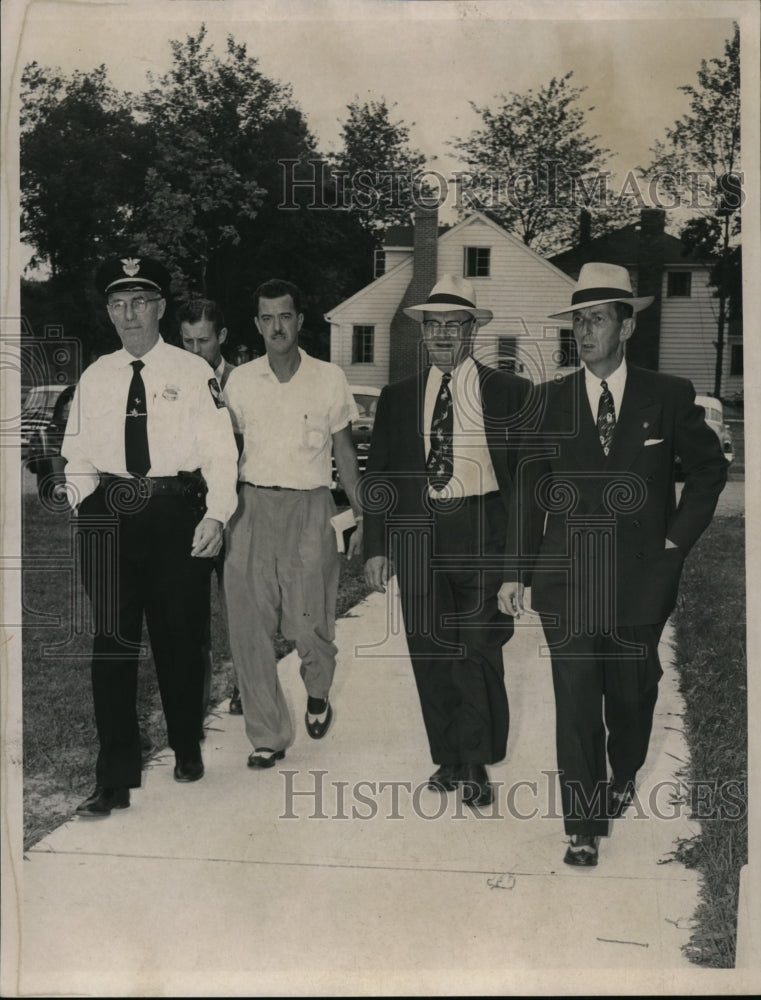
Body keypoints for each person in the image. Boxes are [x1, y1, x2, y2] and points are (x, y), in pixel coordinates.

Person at [499, 262, 728, 866]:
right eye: (577, 320)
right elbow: (528, 490)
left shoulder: (669, 395)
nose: (585, 330)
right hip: (565, 577)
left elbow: (709, 470)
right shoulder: (547, 401)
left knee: (630, 696)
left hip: (640, 580)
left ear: (625, 327)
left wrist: (677, 541)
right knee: (575, 701)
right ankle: (582, 824)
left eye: (596, 319)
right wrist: (515, 571)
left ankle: (623, 769)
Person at [62, 255, 239, 816]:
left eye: (140, 301)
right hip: (109, 517)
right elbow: (76, 453)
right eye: (118, 303)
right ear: (109, 311)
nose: (128, 313)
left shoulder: (193, 373)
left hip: (174, 515)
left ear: (160, 308)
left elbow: (220, 453)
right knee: (111, 645)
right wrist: (84, 508)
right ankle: (114, 777)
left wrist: (216, 515)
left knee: (179, 641)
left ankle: (186, 745)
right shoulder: (97, 375)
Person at [363, 275, 530, 807]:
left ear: (472, 332)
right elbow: (381, 478)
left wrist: (517, 563)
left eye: (452, 326)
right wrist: (376, 544)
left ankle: (476, 760)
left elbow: (528, 483)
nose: (441, 335)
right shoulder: (397, 398)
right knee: (430, 650)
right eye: (432, 326)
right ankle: (449, 756)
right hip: (417, 534)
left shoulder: (509, 393)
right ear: (422, 334)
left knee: (478, 650)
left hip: (483, 530)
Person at [222, 278, 363, 768]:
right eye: (267, 318)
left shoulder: (329, 378)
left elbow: (344, 450)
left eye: (285, 316)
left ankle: (318, 690)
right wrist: (218, 510)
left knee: (312, 624)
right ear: (256, 324)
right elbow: (226, 452)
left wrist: (361, 513)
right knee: (249, 627)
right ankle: (268, 734)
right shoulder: (239, 381)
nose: (276, 326)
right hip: (251, 508)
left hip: (311, 508)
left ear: (299, 321)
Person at [177, 297, 242, 716]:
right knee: (188, 610)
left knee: (238, 605)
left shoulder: (244, 382)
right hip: (186, 512)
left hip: (235, 511)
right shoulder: (172, 381)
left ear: (221, 336)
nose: (195, 351)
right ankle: (195, 699)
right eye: (186, 341)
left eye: (203, 340)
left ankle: (243, 685)